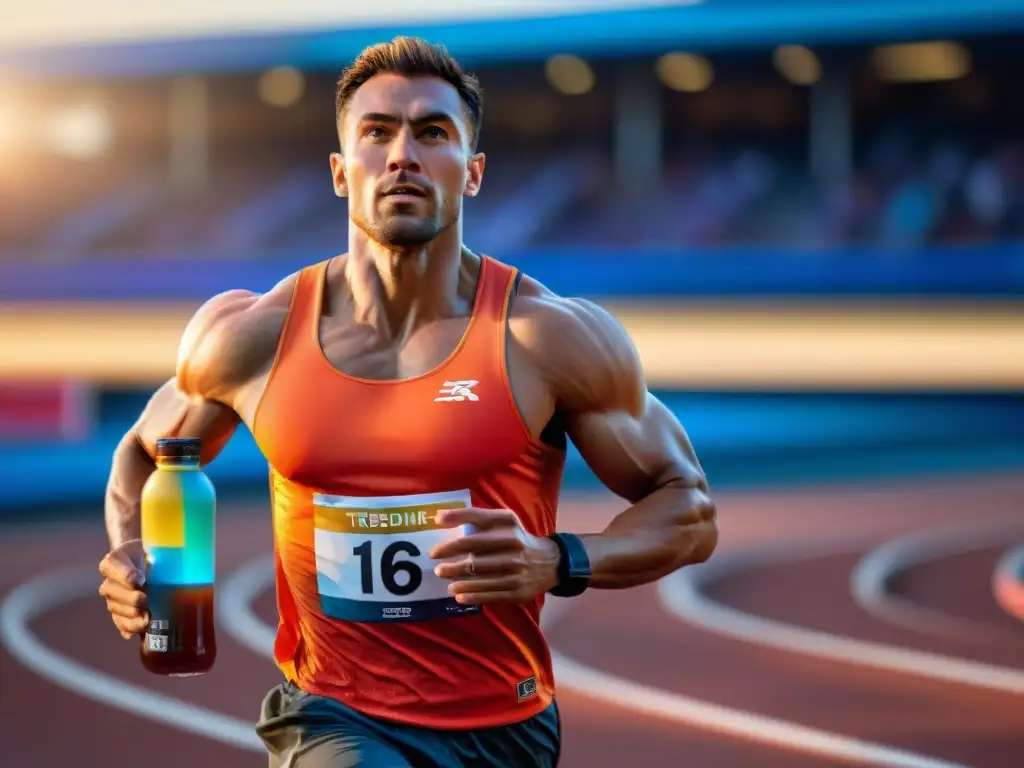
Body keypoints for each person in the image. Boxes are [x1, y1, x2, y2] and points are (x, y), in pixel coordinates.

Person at [97, 36, 718, 767]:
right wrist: (132, 553)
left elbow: (689, 508)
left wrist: (558, 559)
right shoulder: (250, 337)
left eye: (432, 132)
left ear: (473, 172)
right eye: (376, 132)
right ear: (340, 172)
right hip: (332, 714)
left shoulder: (547, 337)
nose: (402, 154)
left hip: (506, 724)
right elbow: (145, 452)